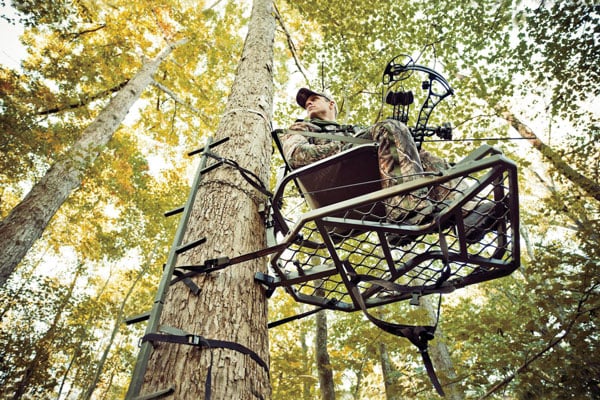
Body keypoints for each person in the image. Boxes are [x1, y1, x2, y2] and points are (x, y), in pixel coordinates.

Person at [280, 87, 455, 226]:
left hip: (370, 185)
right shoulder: (303, 128)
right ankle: (405, 210)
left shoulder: (352, 130)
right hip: (331, 184)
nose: (309, 103)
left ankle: (463, 210)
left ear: (331, 104)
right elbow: (297, 156)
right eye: (306, 103)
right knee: (388, 127)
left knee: (424, 156)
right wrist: (345, 146)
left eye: (314, 99)